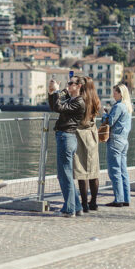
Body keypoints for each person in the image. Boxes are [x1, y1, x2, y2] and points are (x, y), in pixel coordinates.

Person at [48, 75, 85, 217]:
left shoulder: (79, 102)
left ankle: (69, 209)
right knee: (65, 174)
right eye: (68, 83)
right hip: (65, 137)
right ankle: (77, 207)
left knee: (65, 175)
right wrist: (52, 92)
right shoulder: (72, 99)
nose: (68, 85)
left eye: (71, 83)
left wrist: (58, 91)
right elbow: (54, 106)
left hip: (66, 137)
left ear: (79, 86)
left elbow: (59, 107)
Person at [73, 77, 101, 212]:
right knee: (93, 172)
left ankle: (84, 204)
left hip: (80, 136)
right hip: (92, 136)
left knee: (81, 172)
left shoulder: (79, 100)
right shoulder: (95, 99)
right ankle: (94, 202)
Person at [103, 83, 133, 207]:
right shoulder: (127, 106)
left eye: (115, 92)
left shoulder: (118, 106)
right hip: (124, 140)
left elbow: (110, 122)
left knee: (114, 170)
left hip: (115, 140)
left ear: (120, 93)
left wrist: (104, 114)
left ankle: (118, 199)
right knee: (123, 170)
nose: (113, 94)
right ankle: (126, 198)